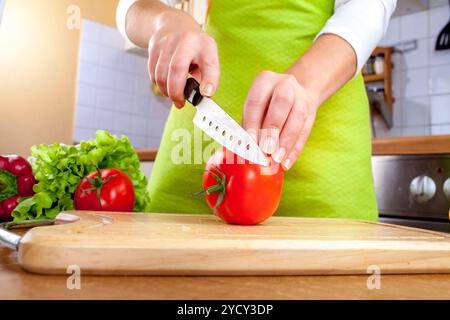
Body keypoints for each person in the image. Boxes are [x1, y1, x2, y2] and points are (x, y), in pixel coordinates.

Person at [116, 0, 397, 220]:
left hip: (325, 168)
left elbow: (370, 5)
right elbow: (130, 6)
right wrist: (164, 21)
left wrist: (306, 85)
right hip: (192, 168)